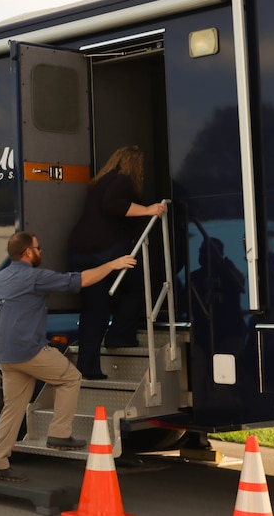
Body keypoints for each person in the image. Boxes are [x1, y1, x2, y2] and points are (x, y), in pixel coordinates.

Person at [0, 231, 137, 482]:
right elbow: (80, 280)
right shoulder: (34, 277)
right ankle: (59, 433)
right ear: (27, 252)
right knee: (70, 378)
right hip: (30, 350)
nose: (41, 252)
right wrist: (112, 264)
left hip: (7, 355)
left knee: (13, 409)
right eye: (39, 248)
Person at [66, 145, 166, 378]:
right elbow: (112, 204)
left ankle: (88, 368)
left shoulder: (100, 182)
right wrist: (148, 210)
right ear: (135, 165)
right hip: (106, 249)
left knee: (95, 310)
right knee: (137, 288)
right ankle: (120, 335)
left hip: (78, 251)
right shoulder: (123, 180)